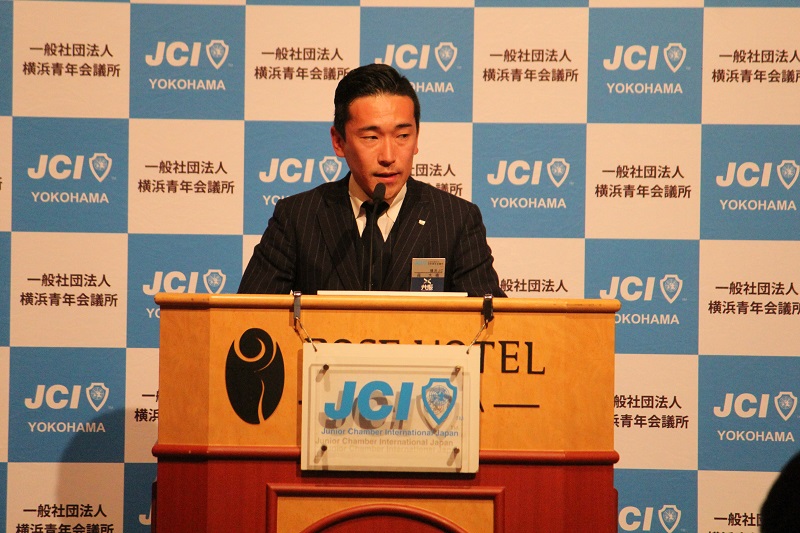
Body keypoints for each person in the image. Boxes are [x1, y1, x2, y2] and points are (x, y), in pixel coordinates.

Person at [238, 63, 504, 297]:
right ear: (338, 141)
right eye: (371, 137)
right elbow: (247, 319)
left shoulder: (456, 220)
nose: (388, 156)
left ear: (416, 139)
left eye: (402, 136)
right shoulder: (297, 218)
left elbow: (493, 324)